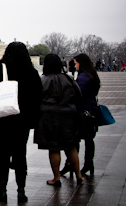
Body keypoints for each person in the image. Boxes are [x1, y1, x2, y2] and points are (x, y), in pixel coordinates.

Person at [0, 41, 42, 203]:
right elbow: (38, 96)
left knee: (2, 153)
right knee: (20, 154)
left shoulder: (1, 69)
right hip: (22, 119)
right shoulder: (31, 72)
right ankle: (21, 190)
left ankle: (2, 190)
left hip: (2, 118)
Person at [34, 54, 84, 187]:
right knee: (71, 146)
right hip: (69, 116)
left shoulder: (42, 80)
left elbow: (36, 100)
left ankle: (56, 177)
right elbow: (79, 96)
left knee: (54, 148)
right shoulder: (69, 79)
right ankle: (79, 175)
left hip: (48, 117)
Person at [73, 53, 101, 176]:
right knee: (89, 139)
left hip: (83, 111)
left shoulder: (83, 77)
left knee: (77, 138)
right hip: (92, 109)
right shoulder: (93, 74)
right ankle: (89, 163)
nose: (75, 66)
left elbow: (79, 94)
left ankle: (75, 164)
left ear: (81, 63)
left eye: (76, 63)